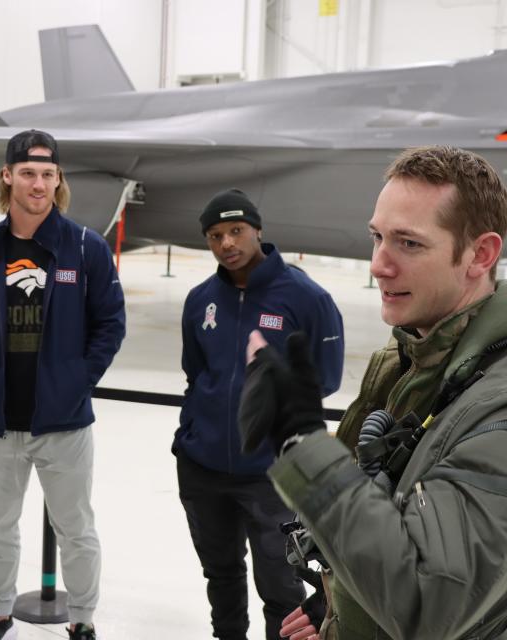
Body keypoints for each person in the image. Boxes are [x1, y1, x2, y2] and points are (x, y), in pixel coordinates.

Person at [238, 145, 507, 640]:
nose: (378, 265)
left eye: (408, 243)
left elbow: (429, 601)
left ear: (479, 255)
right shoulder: (427, 346)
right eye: (377, 237)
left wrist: (303, 445)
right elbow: (396, 504)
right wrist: (339, 600)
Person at [0, 129, 125, 640]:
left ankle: (83, 620)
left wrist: (77, 382)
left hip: (62, 423)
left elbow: (111, 322)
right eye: (28, 173)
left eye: (48, 174)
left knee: (77, 531)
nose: (38, 183)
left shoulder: (86, 248)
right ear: (7, 177)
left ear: (58, 179)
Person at [174, 188, 345, 640]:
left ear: (257, 231)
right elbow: (196, 373)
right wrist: (191, 434)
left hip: (273, 477)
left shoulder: (307, 298)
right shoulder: (200, 300)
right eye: (215, 235)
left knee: (282, 589)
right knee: (221, 575)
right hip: (203, 469)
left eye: (236, 231)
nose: (227, 243)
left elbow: (326, 379)